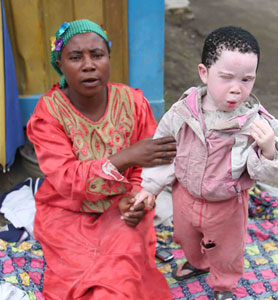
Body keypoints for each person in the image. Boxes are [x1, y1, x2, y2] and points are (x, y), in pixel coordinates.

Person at [134, 26, 278, 300]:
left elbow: (262, 171)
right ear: (204, 73)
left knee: (227, 250)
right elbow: (165, 148)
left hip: (227, 206)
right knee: (185, 237)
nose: (236, 89)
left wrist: (268, 149)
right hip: (185, 197)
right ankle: (197, 263)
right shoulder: (183, 112)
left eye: (246, 79)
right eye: (227, 77)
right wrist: (150, 186)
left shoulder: (253, 122)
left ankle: (224, 284)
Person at [26, 19, 176, 300]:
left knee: (121, 269)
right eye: (75, 57)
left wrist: (137, 200)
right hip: (67, 212)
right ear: (60, 65)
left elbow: (149, 168)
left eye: (97, 55)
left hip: (122, 207)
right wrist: (126, 156)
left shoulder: (133, 102)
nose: (88, 65)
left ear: (108, 57)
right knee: (78, 273)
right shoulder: (48, 114)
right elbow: (66, 179)